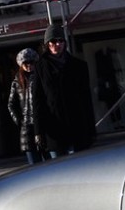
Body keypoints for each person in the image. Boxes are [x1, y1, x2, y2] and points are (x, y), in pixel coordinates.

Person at [34, 21, 96, 158]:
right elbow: (37, 101)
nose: (56, 45)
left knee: (80, 167)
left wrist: (92, 129)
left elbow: (86, 99)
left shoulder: (78, 66)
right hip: (54, 127)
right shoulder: (40, 68)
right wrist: (38, 132)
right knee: (59, 170)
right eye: (52, 41)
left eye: (60, 41)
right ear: (47, 44)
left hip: (77, 125)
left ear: (64, 43)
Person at [6, 47, 43, 164]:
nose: (28, 65)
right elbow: (11, 103)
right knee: (33, 164)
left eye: (31, 62)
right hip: (26, 126)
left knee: (49, 162)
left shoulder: (41, 77)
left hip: (42, 124)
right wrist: (19, 120)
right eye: (25, 63)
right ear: (20, 64)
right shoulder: (17, 81)